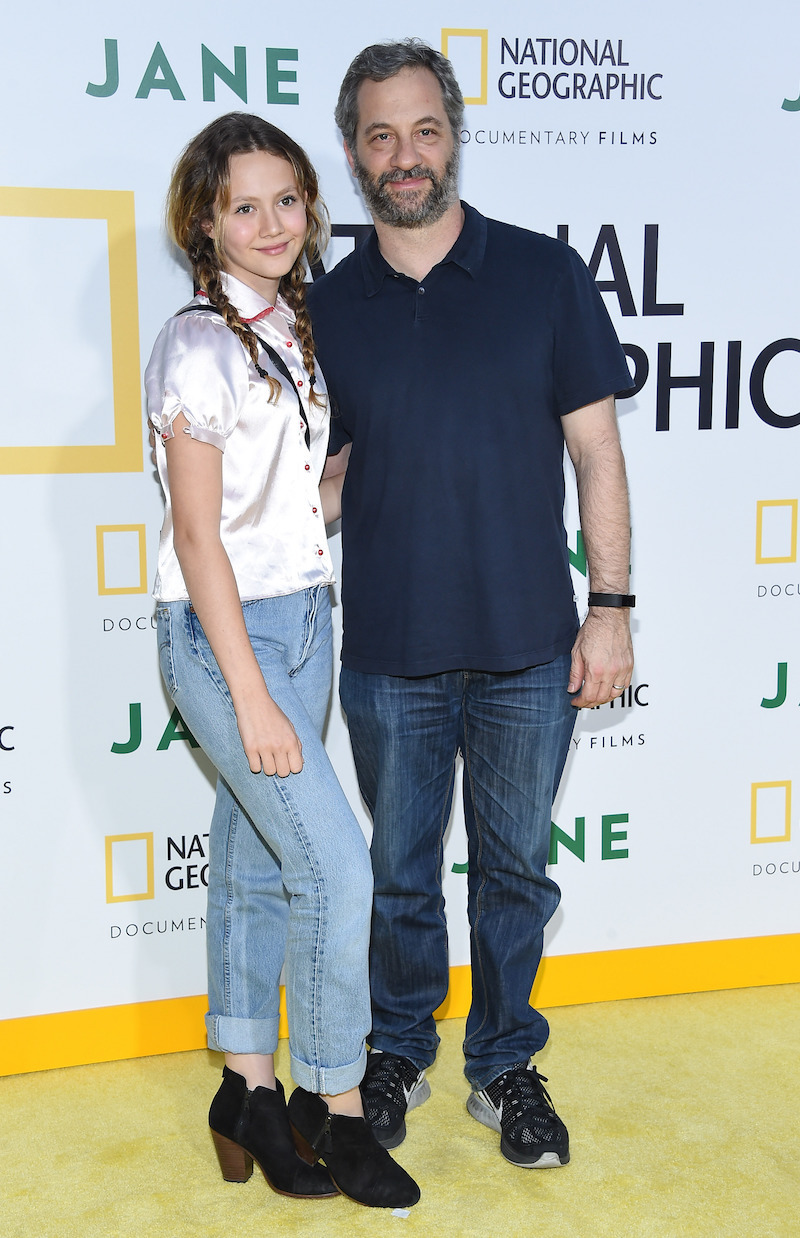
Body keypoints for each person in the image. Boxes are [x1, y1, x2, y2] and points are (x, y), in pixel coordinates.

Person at [307, 41, 635, 1170]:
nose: (405, 156)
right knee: (400, 877)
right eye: (380, 135)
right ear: (353, 153)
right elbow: (332, 469)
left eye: (424, 129)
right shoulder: (326, 304)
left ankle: (503, 1066)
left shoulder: (543, 276)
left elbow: (595, 451)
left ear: (454, 134)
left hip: (527, 648)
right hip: (388, 648)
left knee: (511, 874)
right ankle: (395, 1050)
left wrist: (612, 607)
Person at [146, 112, 419, 1209]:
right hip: (227, 638)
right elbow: (201, 535)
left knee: (258, 861)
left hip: (305, 616)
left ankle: (245, 1088)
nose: (269, 222)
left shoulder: (291, 329)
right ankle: (335, 1104)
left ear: (311, 209)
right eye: (242, 205)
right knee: (336, 867)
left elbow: (279, 511)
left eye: (287, 200)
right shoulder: (198, 341)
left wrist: (363, 477)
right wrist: (250, 693)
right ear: (202, 222)